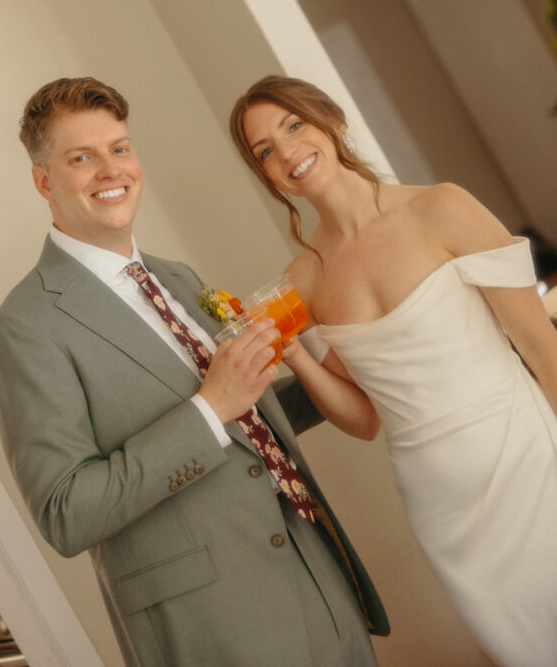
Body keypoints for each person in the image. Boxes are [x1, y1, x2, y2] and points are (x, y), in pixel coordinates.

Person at [0, 77, 388, 667]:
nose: (109, 169)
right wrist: (207, 410)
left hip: (318, 579)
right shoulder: (22, 329)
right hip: (214, 628)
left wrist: (325, 367)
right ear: (44, 180)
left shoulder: (178, 279)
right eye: (80, 158)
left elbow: (245, 419)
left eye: (119, 148)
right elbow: (67, 512)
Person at [229, 74, 557, 667]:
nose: (287, 153)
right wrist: (294, 353)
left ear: (330, 118)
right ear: (267, 176)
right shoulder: (302, 280)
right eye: (265, 152)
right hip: (442, 507)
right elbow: (365, 419)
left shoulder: (442, 208)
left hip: (531, 461)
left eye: (294, 125)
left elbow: (540, 345)